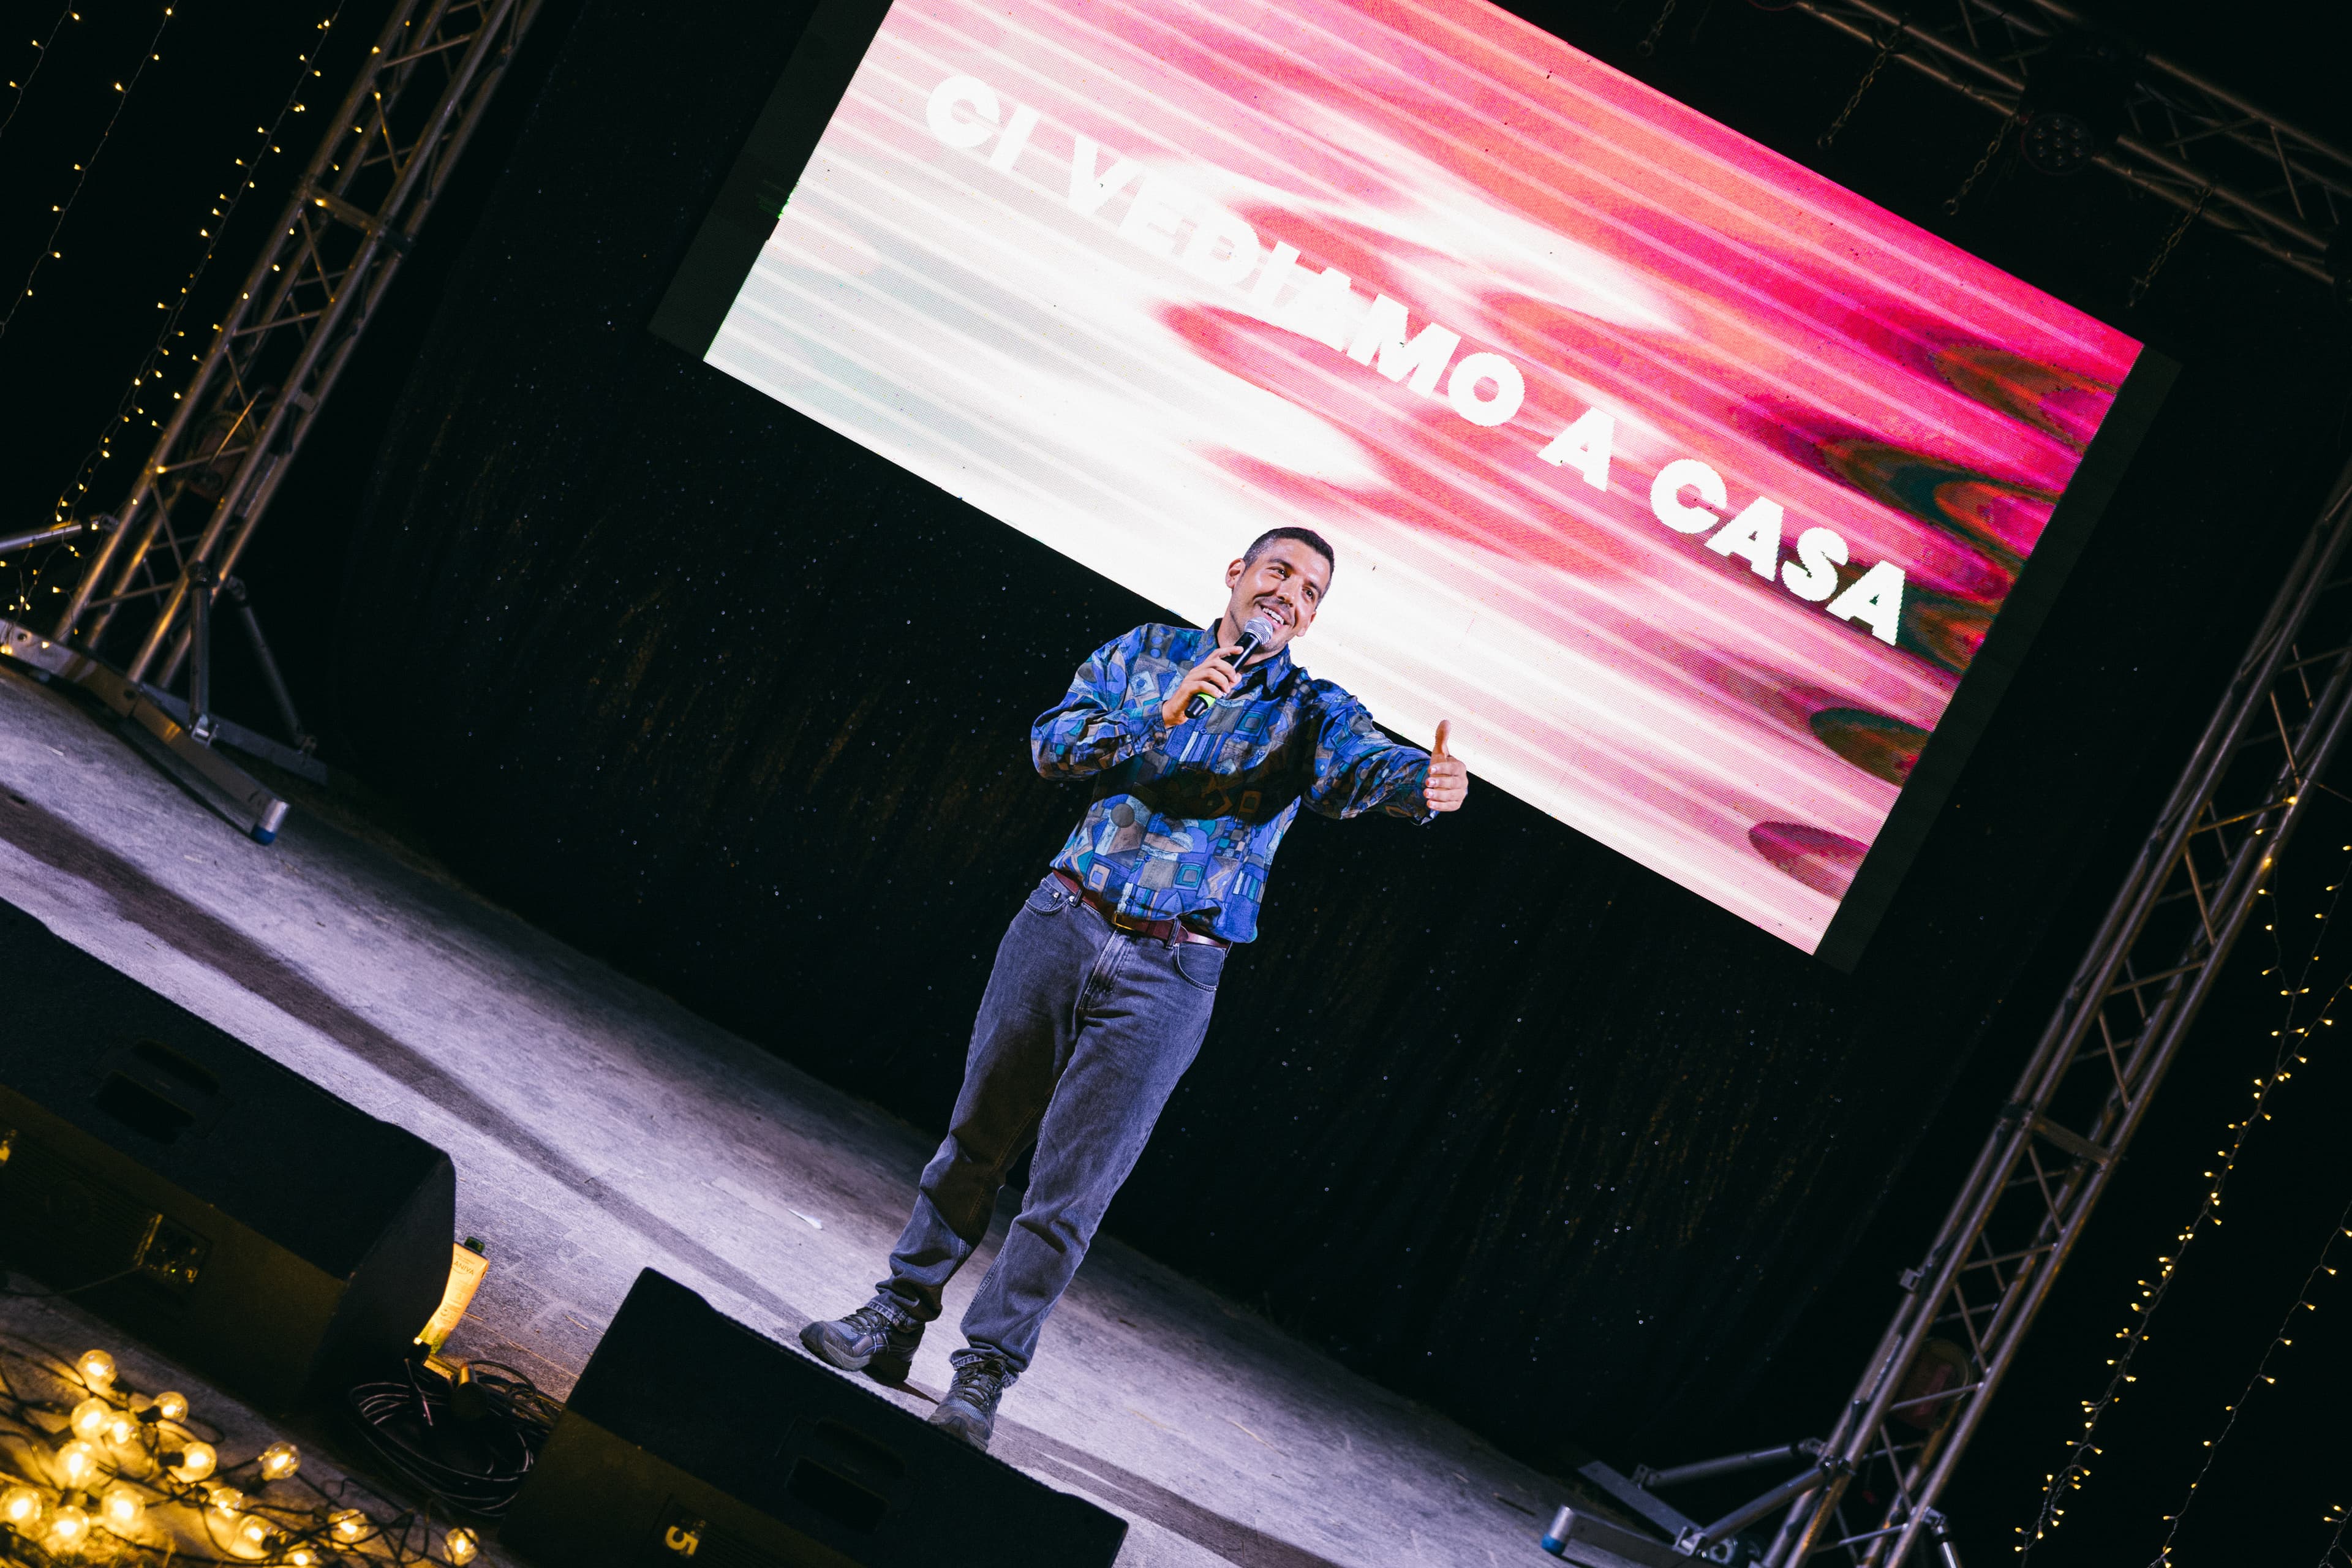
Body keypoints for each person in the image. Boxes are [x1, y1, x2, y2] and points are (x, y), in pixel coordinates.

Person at [800, 526, 1469, 1448]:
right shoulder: (1145, 654)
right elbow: (1052, 747)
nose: (1288, 595)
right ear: (1237, 575)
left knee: (1071, 1190)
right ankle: (895, 1314)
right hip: (1063, 922)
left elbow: (1361, 768)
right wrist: (1163, 713)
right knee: (977, 1140)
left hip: (1172, 970)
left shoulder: (1314, 709)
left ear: (1313, 618)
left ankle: (984, 1372)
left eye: (1311, 591)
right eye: (1278, 572)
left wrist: (1420, 782)